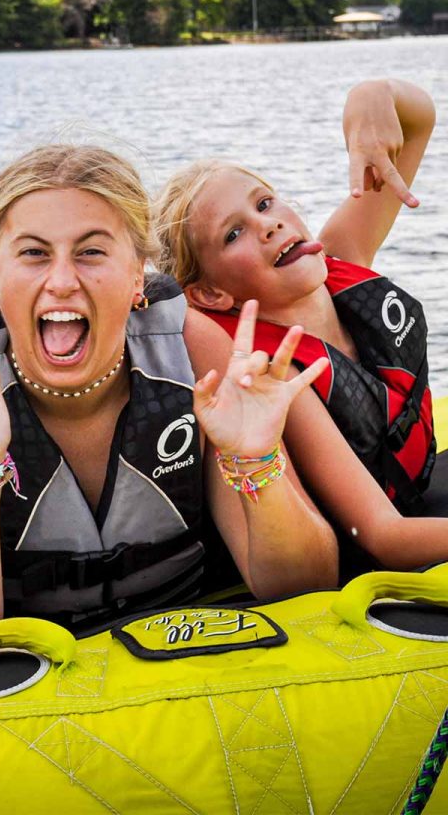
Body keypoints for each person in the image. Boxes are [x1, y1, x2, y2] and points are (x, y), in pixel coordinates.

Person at [0, 145, 337, 654]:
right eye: (33, 253)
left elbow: (307, 587)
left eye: (91, 252)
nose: (63, 281)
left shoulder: (194, 354)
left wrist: (255, 459)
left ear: (139, 276)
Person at [154, 78, 446, 577]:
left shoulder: (343, 256)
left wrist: (370, 96)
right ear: (209, 294)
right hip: (373, 552)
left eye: (264, 203)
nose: (268, 224)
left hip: (427, 493)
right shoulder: (275, 375)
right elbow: (385, 538)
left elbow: (417, 121)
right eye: (234, 233)